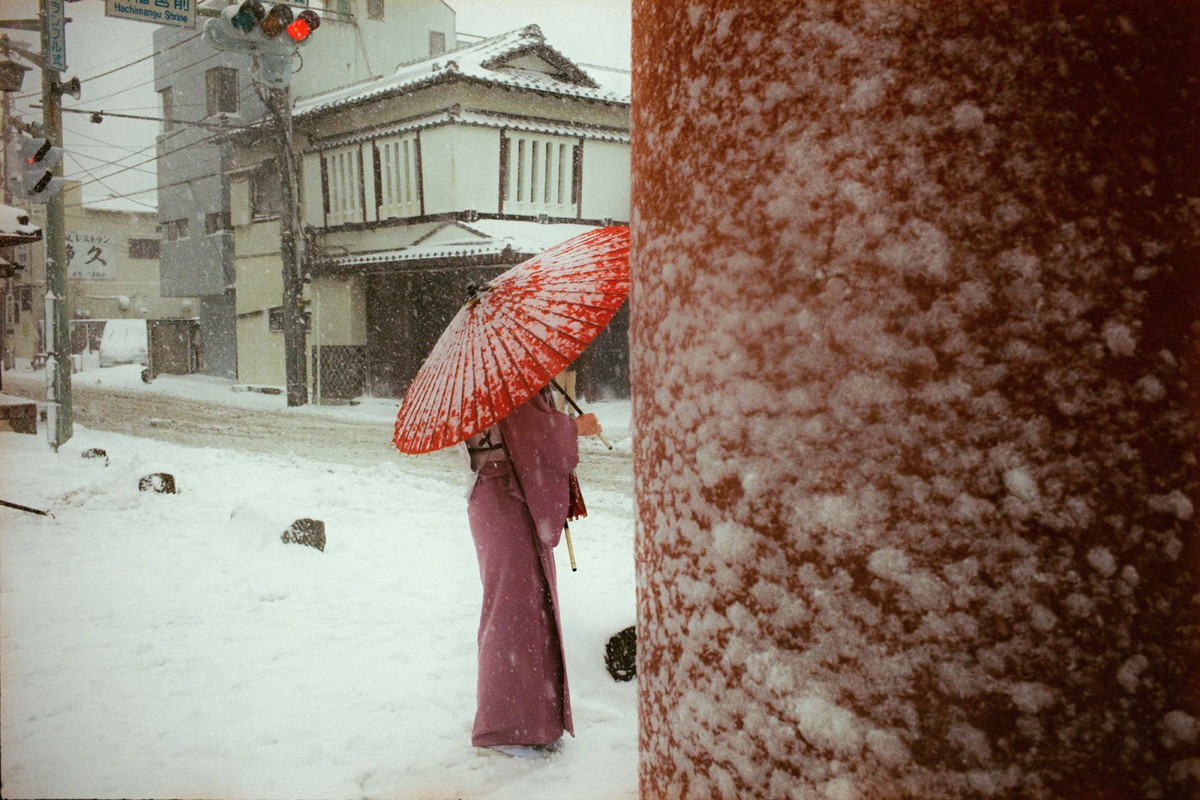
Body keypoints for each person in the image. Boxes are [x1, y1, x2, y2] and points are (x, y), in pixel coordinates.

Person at [462, 386, 602, 758]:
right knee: (516, 611)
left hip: (497, 497)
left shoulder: (480, 376)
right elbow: (537, 436)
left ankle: (521, 718)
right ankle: (510, 722)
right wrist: (575, 427)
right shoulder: (505, 381)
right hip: (506, 498)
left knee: (513, 609)